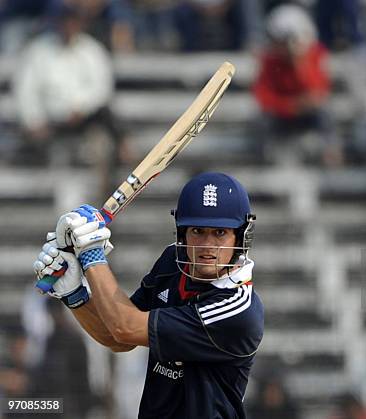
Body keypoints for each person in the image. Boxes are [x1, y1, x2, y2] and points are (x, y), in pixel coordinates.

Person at [32, 172, 264, 419]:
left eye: (220, 233)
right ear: (182, 232)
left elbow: (125, 327)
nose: (207, 245)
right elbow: (118, 338)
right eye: (198, 230)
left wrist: (91, 256)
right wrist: (74, 294)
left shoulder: (238, 309)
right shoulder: (171, 264)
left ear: (239, 236)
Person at [13, 3, 127, 166]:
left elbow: (102, 89)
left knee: (102, 145)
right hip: (50, 124)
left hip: (86, 121)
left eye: (73, 21)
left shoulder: (92, 51)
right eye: (65, 21)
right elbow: (26, 91)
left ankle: (106, 185)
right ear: (57, 23)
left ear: (80, 23)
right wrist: (34, 121)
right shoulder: (38, 51)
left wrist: (81, 108)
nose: (69, 26)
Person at [252, 3, 342, 166]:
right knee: (262, 120)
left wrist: (300, 64)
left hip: (308, 114)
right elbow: (263, 96)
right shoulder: (270, 60)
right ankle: (265, 159)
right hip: (283, 115)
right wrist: (290, 105)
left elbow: (319, 90)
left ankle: (331, 152)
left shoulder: (316, 54)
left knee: (325, 112)